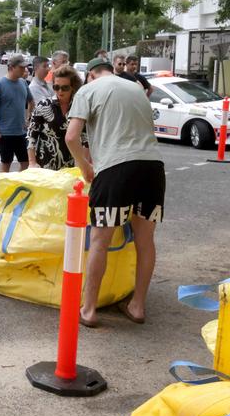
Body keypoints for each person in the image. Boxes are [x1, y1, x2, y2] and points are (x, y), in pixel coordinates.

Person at [65, 57, 165, 327]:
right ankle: (138, 306)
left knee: (100, 239)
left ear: (91, 75)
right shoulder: (136, 88)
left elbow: (71, 137)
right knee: (146, 240)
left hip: (115, 168)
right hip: (153, 167)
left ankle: (89, 309)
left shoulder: (88, 90)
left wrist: (84, 166)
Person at [28, 64, 83, 170]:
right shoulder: (44, 105)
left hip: (72, 165)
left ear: (73, 87)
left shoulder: (80, 106)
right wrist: (32, 163)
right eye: (56, 87)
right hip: (45, 165)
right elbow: (32, 135)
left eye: (65, 88)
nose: (60, 91)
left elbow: (85, 139)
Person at [0, 53, 31, 172]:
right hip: (5, 133)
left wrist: (28, 118)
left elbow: (31, 101)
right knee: (6, 163)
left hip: (21, 132)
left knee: (25, 163)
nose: (24, 70)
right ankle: (4, 189)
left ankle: (17, 186)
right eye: (21, 67)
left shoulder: (23, 83)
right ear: (12, 67)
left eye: (24, 67)